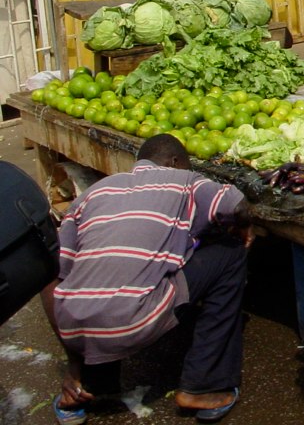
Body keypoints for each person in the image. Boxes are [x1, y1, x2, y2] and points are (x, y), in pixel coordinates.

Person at [43, 134, 253, 424]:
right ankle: (204, 385)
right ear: (176, 161)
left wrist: (73, 365)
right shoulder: (186, 180)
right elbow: (237, 206)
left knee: (100, 278)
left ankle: (88, 387)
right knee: (229, 254)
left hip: (75, 326)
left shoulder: (94, 192)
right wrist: (242, 229)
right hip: (131, 320)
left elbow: (56, 275)